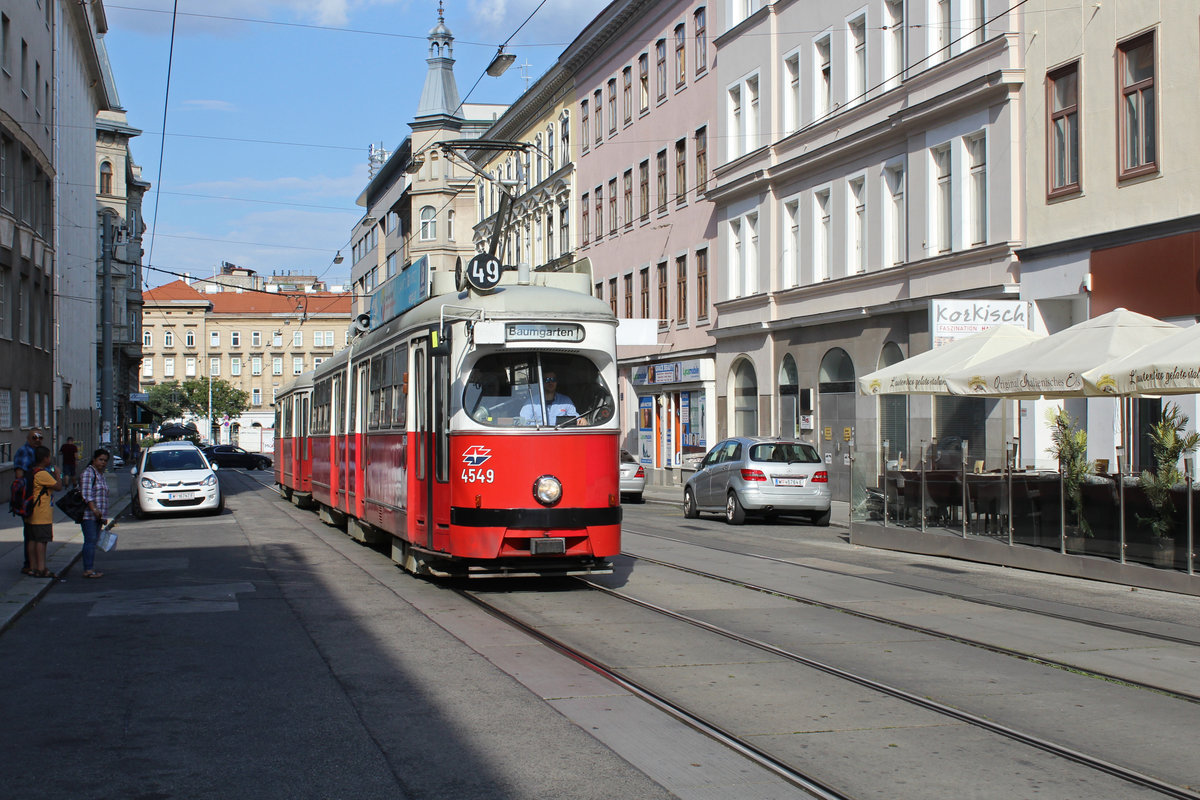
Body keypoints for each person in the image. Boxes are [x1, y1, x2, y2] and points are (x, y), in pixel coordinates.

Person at [24, 446, 62, 579]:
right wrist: (58, 473)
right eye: (49, 456)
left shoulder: (31, 471)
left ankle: (33, 567)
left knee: (32, 540)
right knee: (42, 541)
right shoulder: (42, 474)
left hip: (30, 513)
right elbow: (58, 487)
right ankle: (41, 568)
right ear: (45, 458)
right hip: (41, 513)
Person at [78, 449, 110, 579]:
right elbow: (86, 494)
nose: (103, 463)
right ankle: (88, 569)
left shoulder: (99, 474)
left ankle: (90, 567)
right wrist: (95, 510)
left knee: (93, 541)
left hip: (98, 516)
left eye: (105, 461)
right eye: (100, 460)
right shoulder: (88, 473)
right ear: (94, 460)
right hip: (89, 515)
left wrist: (103, 516)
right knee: (90, 541)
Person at [13, 429, 42, 574]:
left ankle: (36, 563)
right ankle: (28, 564)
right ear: (28, 438)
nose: (38, 440)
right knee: (31, 533)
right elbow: (20, 477)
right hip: (28, 498)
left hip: (38, 498)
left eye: (40, 437)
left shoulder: (39, 452)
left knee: (37, 532)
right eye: (35, 437)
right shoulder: (24, 451)